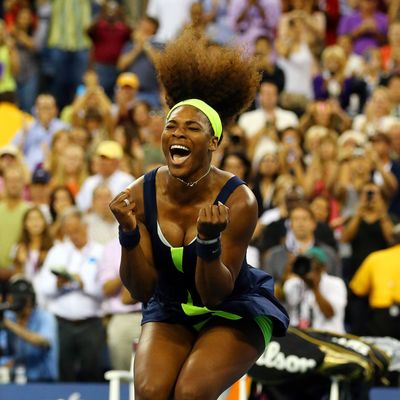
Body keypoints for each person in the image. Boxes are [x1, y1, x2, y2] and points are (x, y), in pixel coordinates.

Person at [109, 29, 289, 399]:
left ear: (214, 142)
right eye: (171, 126)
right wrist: (128, 234)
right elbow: (140, 289)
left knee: (190, 393)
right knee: (150, 392)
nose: (178, 133)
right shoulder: (139, 194)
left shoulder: (239, 200)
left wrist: (207, 243)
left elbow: (214, 295)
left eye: (193, 128)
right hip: (172, 304)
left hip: (234, 308)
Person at [35, 207, 105, 382]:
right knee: (63, 370)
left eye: (76, 229)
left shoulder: (100, 252)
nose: (73, 234)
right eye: (68, 230)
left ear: (85, 226)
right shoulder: (56, 252)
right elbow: (43, 287)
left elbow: (106, 291)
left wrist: (84, 284)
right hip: (61, 322)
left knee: (91, 371)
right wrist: (57, 284)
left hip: (91, 322)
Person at [0, 276, 59, 382]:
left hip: (44, 380)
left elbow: (43, 341)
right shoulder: (10, 316)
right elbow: (5, 350)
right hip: (17, 379)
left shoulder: (44, 316)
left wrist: (10, 325)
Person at [283, 246, 347, 333]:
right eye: (307, 263)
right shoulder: (293, 284)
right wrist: (288, 268)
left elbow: (330, 314)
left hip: (329, 337)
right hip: (298, 338)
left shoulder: (336, 284)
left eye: (313, 263)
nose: (310, 267)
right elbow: (277, 296)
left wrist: (314, 288)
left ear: (323, 267)